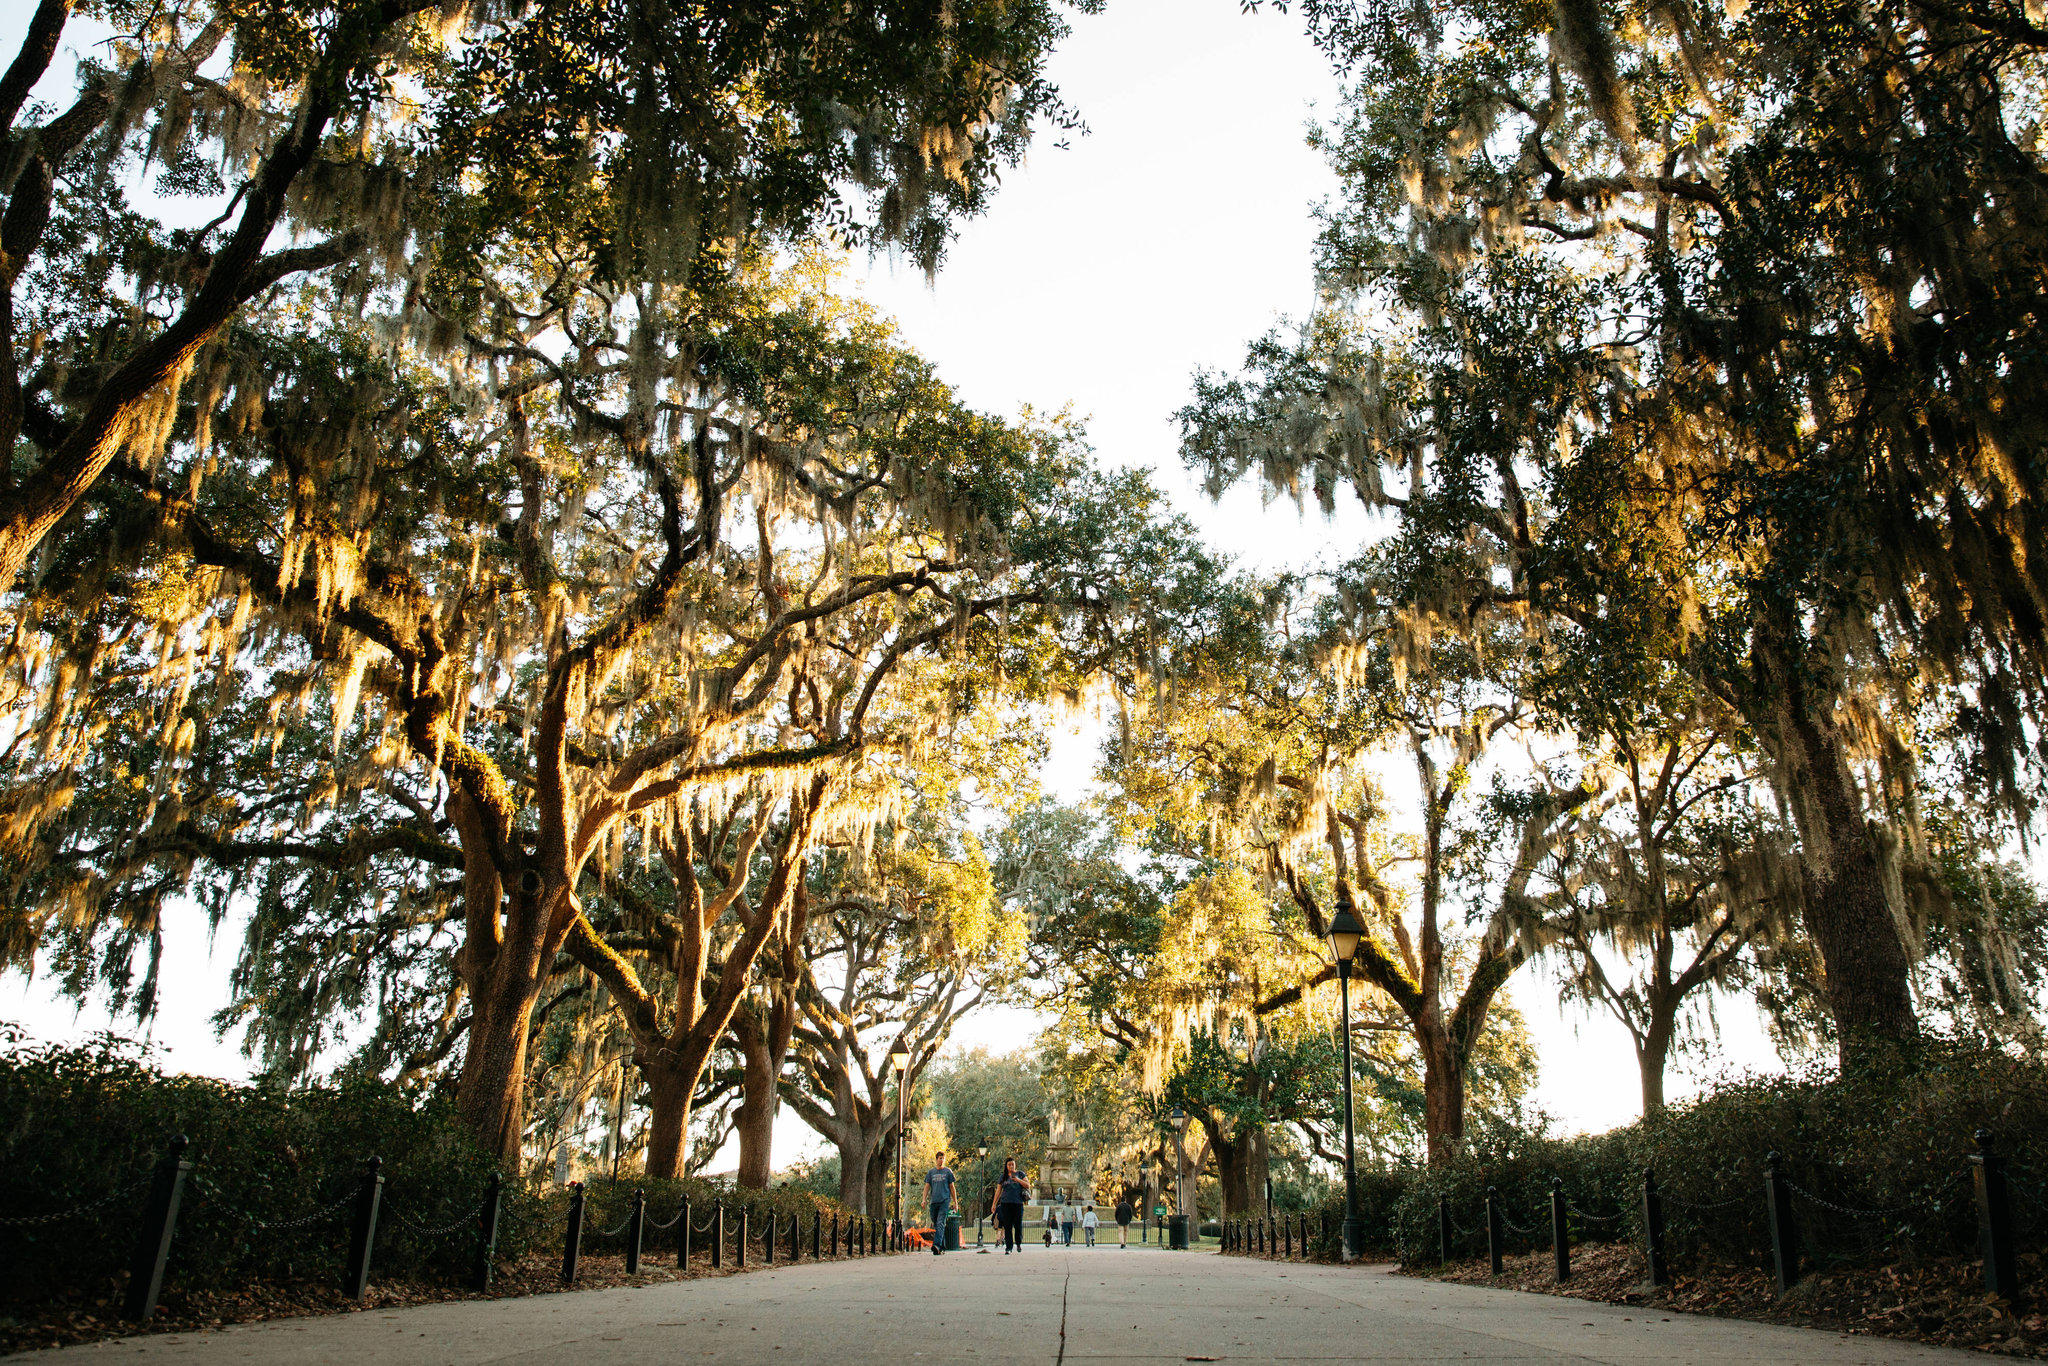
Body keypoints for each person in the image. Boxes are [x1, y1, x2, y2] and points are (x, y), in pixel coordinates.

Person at [923, 1151, 957, 1257]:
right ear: (936, 1159)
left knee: (940, 1222)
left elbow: (952, 1187)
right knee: (937, 1224)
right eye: (939, 1158)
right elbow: (927, 1186)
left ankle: (936, 1245)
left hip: (944, 1201)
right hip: (934, 1201)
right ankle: (942, 1247)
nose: (941, 1160)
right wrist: (923, 1199)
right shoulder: (931, 1172)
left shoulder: (948, 1172)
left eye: (943, 1158)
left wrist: (955, 1202)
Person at [992, 1159, 1027, 1254]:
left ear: (1015, 1165)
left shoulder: (1020, 1174)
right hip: (1005, 1203)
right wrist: (994, 1203)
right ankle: (1009, 1247)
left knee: (1018, 1225)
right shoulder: (1003, 1177)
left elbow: (1028, 1185)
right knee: (1007, 1226)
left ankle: (1018, 1243)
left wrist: (1018, 1180)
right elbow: (998, 1191)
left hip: (1018, 1203)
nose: (1011, 1166)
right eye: (1009, 1164)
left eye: (1012, 1164)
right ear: (1006, 1166)